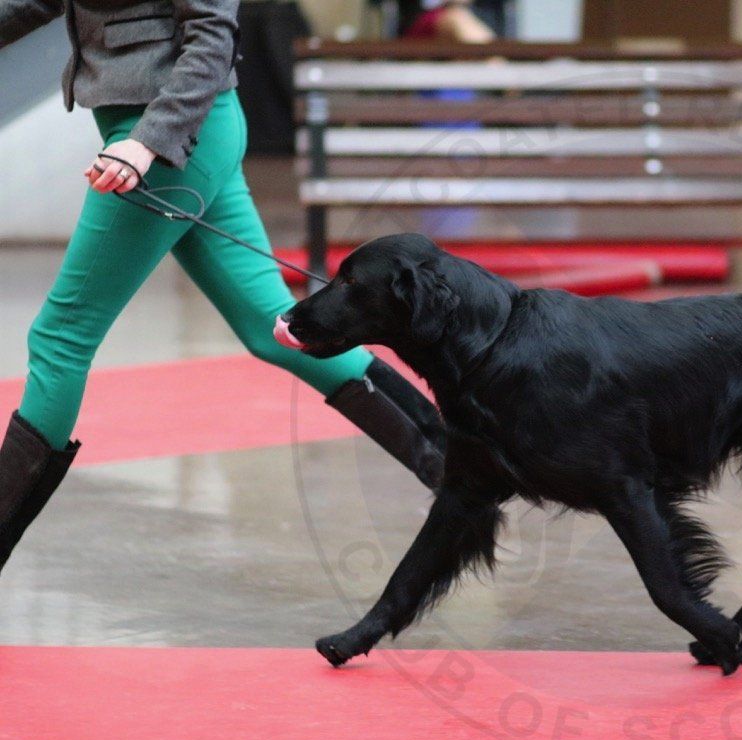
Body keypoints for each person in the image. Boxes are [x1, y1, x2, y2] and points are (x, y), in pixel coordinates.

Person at [0, 0, 447, 575]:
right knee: (274, 327)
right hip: (179, 134)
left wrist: (148, 142)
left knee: (61, 338)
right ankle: (462, 473)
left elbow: (212, 31)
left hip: (165, 140)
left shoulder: (156, 138)